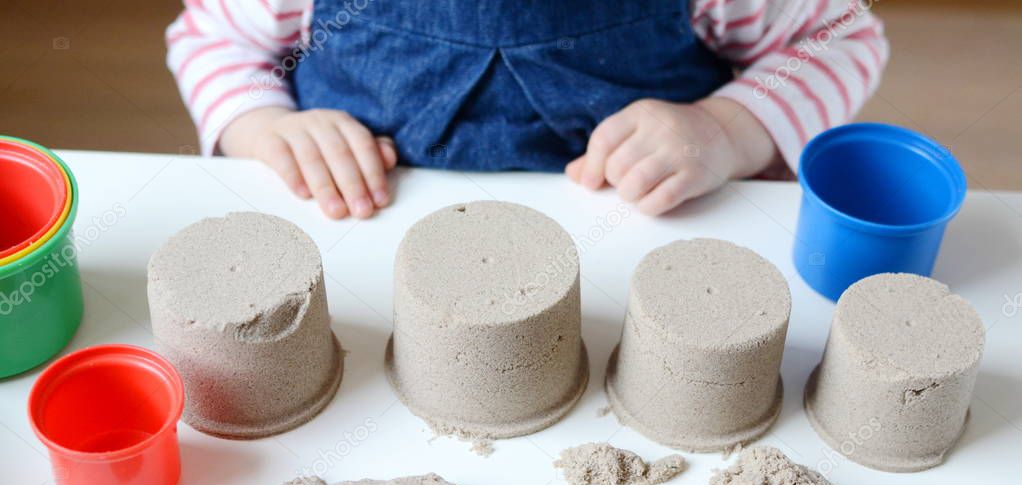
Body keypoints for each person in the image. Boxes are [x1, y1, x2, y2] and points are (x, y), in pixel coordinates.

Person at [166, 0, 887, 219]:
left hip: (642, 241)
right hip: (371, 235)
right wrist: (264, 127)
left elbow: (839, 35)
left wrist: (727, 129)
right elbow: (209, 38)